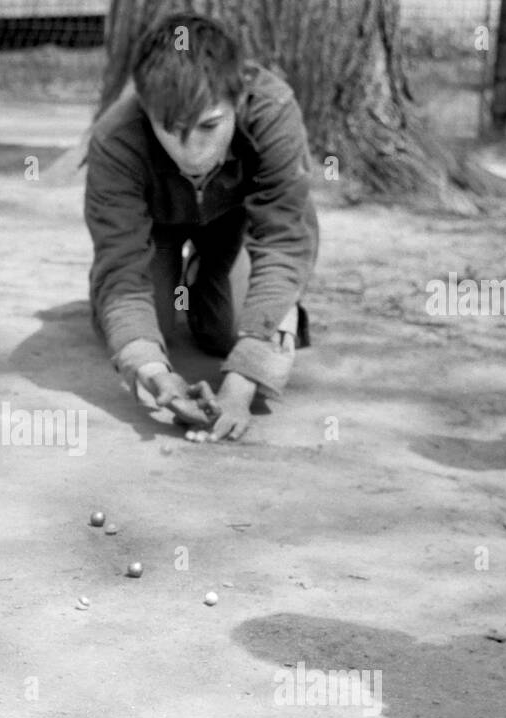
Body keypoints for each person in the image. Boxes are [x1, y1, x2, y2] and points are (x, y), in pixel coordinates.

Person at [85, 13, 320, 442]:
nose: (193, 153)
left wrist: (240, 385)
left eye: (210, 125)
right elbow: (121, 268)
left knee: (232, 333)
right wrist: (154, 375)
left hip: (232, 225)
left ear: (238, 97)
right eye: (171, 130)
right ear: (145, 109)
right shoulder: (115, 137)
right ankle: (173, 280)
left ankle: (199, 279)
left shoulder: (273, 109)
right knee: (143, 332)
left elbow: (285, 240)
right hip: (156, 230)